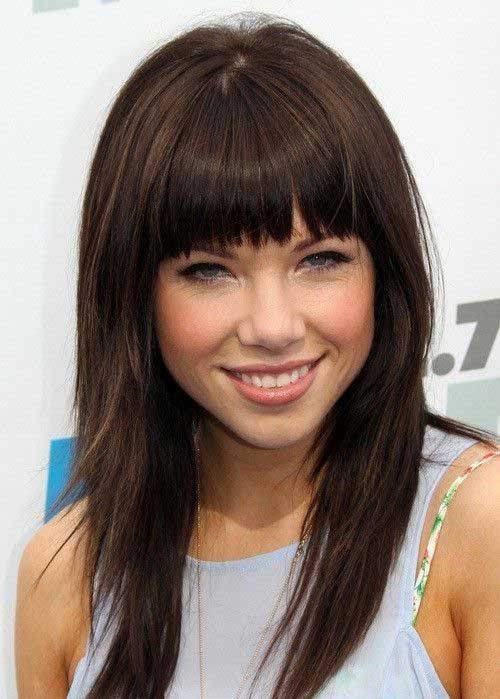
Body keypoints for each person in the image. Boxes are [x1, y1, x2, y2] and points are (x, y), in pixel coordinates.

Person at [15, 12, 500, 699]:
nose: (273, 327)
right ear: (135, 294)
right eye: (209, 270)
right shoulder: (66, 573)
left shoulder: (476, 525)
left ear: (383, 273)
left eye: (321, 259)